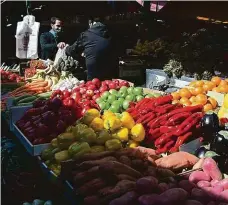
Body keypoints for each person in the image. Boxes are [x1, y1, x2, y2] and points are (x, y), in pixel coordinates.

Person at [65, 15, 119, 80]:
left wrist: (66, 48)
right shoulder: (110, 34)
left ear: (90, 23)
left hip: (93, 74)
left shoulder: (86, 35)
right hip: (109, 72)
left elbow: (73, 50)